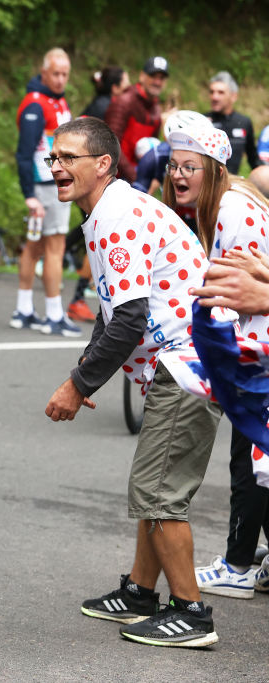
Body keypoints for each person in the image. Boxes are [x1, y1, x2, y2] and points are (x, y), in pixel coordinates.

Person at [43, 116, 222, 648]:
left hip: (188, 362)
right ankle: (142, 592)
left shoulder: (116, 217)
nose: (56, 167)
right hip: (183, 360)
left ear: (102, 164)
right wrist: (85, 370)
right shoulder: (109, 210)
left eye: (68, 158)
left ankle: (191, 614)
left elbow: (127, 320)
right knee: (154, 486)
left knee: (158, 490)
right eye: (53, 157)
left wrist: (78, 385)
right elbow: (112, 308)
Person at [159, 123, 269, 599]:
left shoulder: (228, 208)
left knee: (249, 454)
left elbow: (233, 290)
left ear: (214, 170)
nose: (179, 175)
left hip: (259, 343)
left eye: (190, 167)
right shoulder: (227, 196)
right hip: (256, 337)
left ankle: (239, 565)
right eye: (174, 165)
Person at [11, 48, 79, 336]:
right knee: (54, 248)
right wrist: (30, 194)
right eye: (56, 73)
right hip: (47, 185)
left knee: (35, 246)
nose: (61, 79)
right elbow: (24, 153)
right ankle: (53, 314)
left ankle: (24, 309)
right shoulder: (36, 105)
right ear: (44, 71)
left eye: (65, 74)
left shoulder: (55, 100)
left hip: (52, 182)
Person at [105, 56, 167, 184]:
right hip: (115, 179)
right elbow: (110, 145)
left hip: (138, 181)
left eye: (161, 78)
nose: (157, 82)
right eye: (153, 76)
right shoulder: (124, 102)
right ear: (142, 76)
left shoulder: (156, 109)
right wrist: (136, 178)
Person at [205, 71, 261, 176]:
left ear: (233, 96)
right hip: (208, 184)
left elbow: (253, 159)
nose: (214, 97)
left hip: (233, 183)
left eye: (220, 92)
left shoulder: (244, 122)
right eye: (212, 92)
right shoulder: (202, 121)